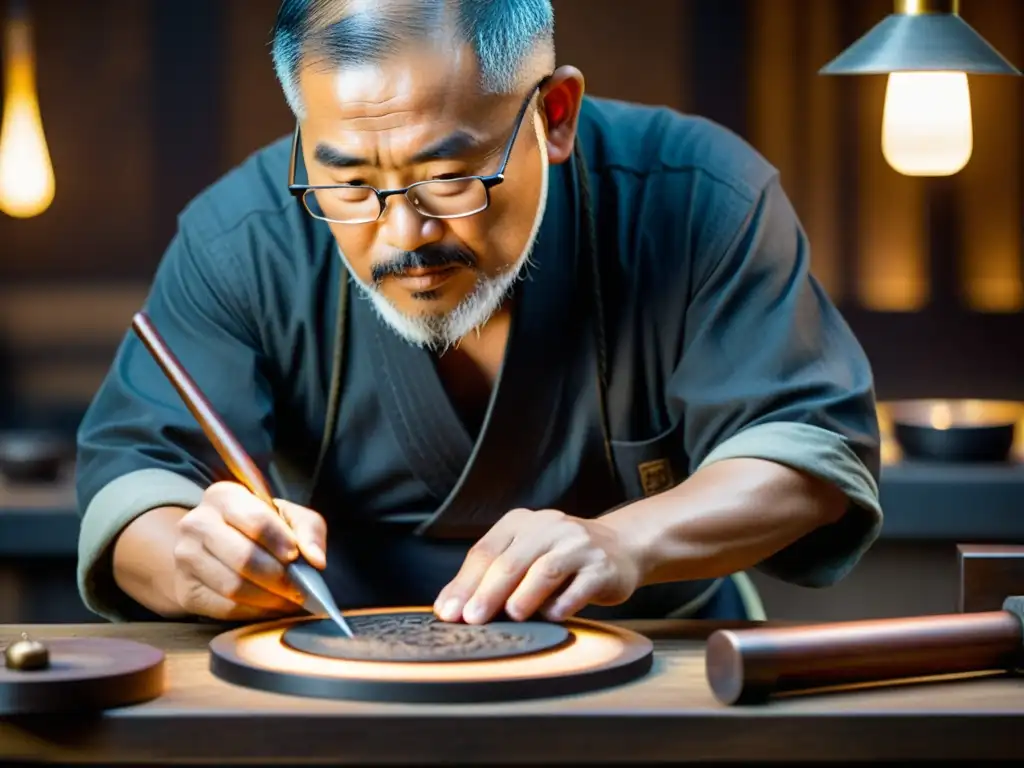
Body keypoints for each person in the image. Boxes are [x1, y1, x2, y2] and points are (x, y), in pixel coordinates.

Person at [75, 0, 882, 626]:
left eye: (451, 176)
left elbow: (804, 453)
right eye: (350, 184)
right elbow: (136, 478)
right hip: (339, 674)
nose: (401, 235)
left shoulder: (699, 195)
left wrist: (620, 541)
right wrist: (190, 553)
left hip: (655, 669)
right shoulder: (240, 238)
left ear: (554, 116)